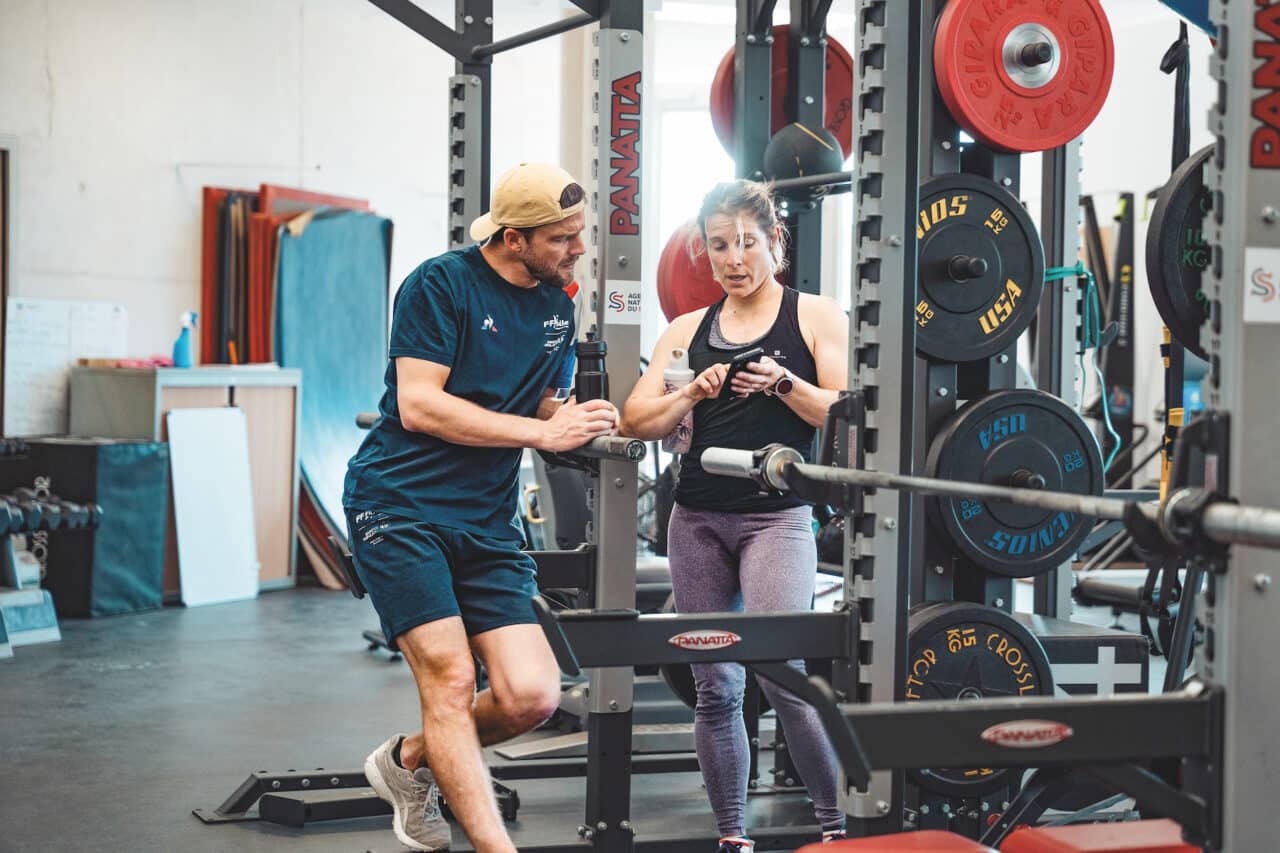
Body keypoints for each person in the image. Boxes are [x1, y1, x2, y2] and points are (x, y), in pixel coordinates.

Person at [343, 162, 620, 853]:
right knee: (453, 677)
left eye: (578, 234)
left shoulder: (558, 304)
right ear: (514, 238)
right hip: (400, 505)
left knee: (533, 695)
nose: (577, 249)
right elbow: (419, 402)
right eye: (561, 238)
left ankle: (409, 762)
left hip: (485, 518)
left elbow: (538, 403)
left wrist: (576, 415)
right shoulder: (442, 284)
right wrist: (542, 432)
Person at [620, 180, 850, 851]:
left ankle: (836, 828)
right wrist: (691, 389)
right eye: (719, 245)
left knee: (781, 676)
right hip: (697, 520)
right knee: (716, 686)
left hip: (778, 519)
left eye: (747, 242)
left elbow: (843, 411)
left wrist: (784, 382)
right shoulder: (688, 331)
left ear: (774, 243)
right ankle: (732, 835)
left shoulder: (814, 316)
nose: (734, 257)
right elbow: (637, 418)